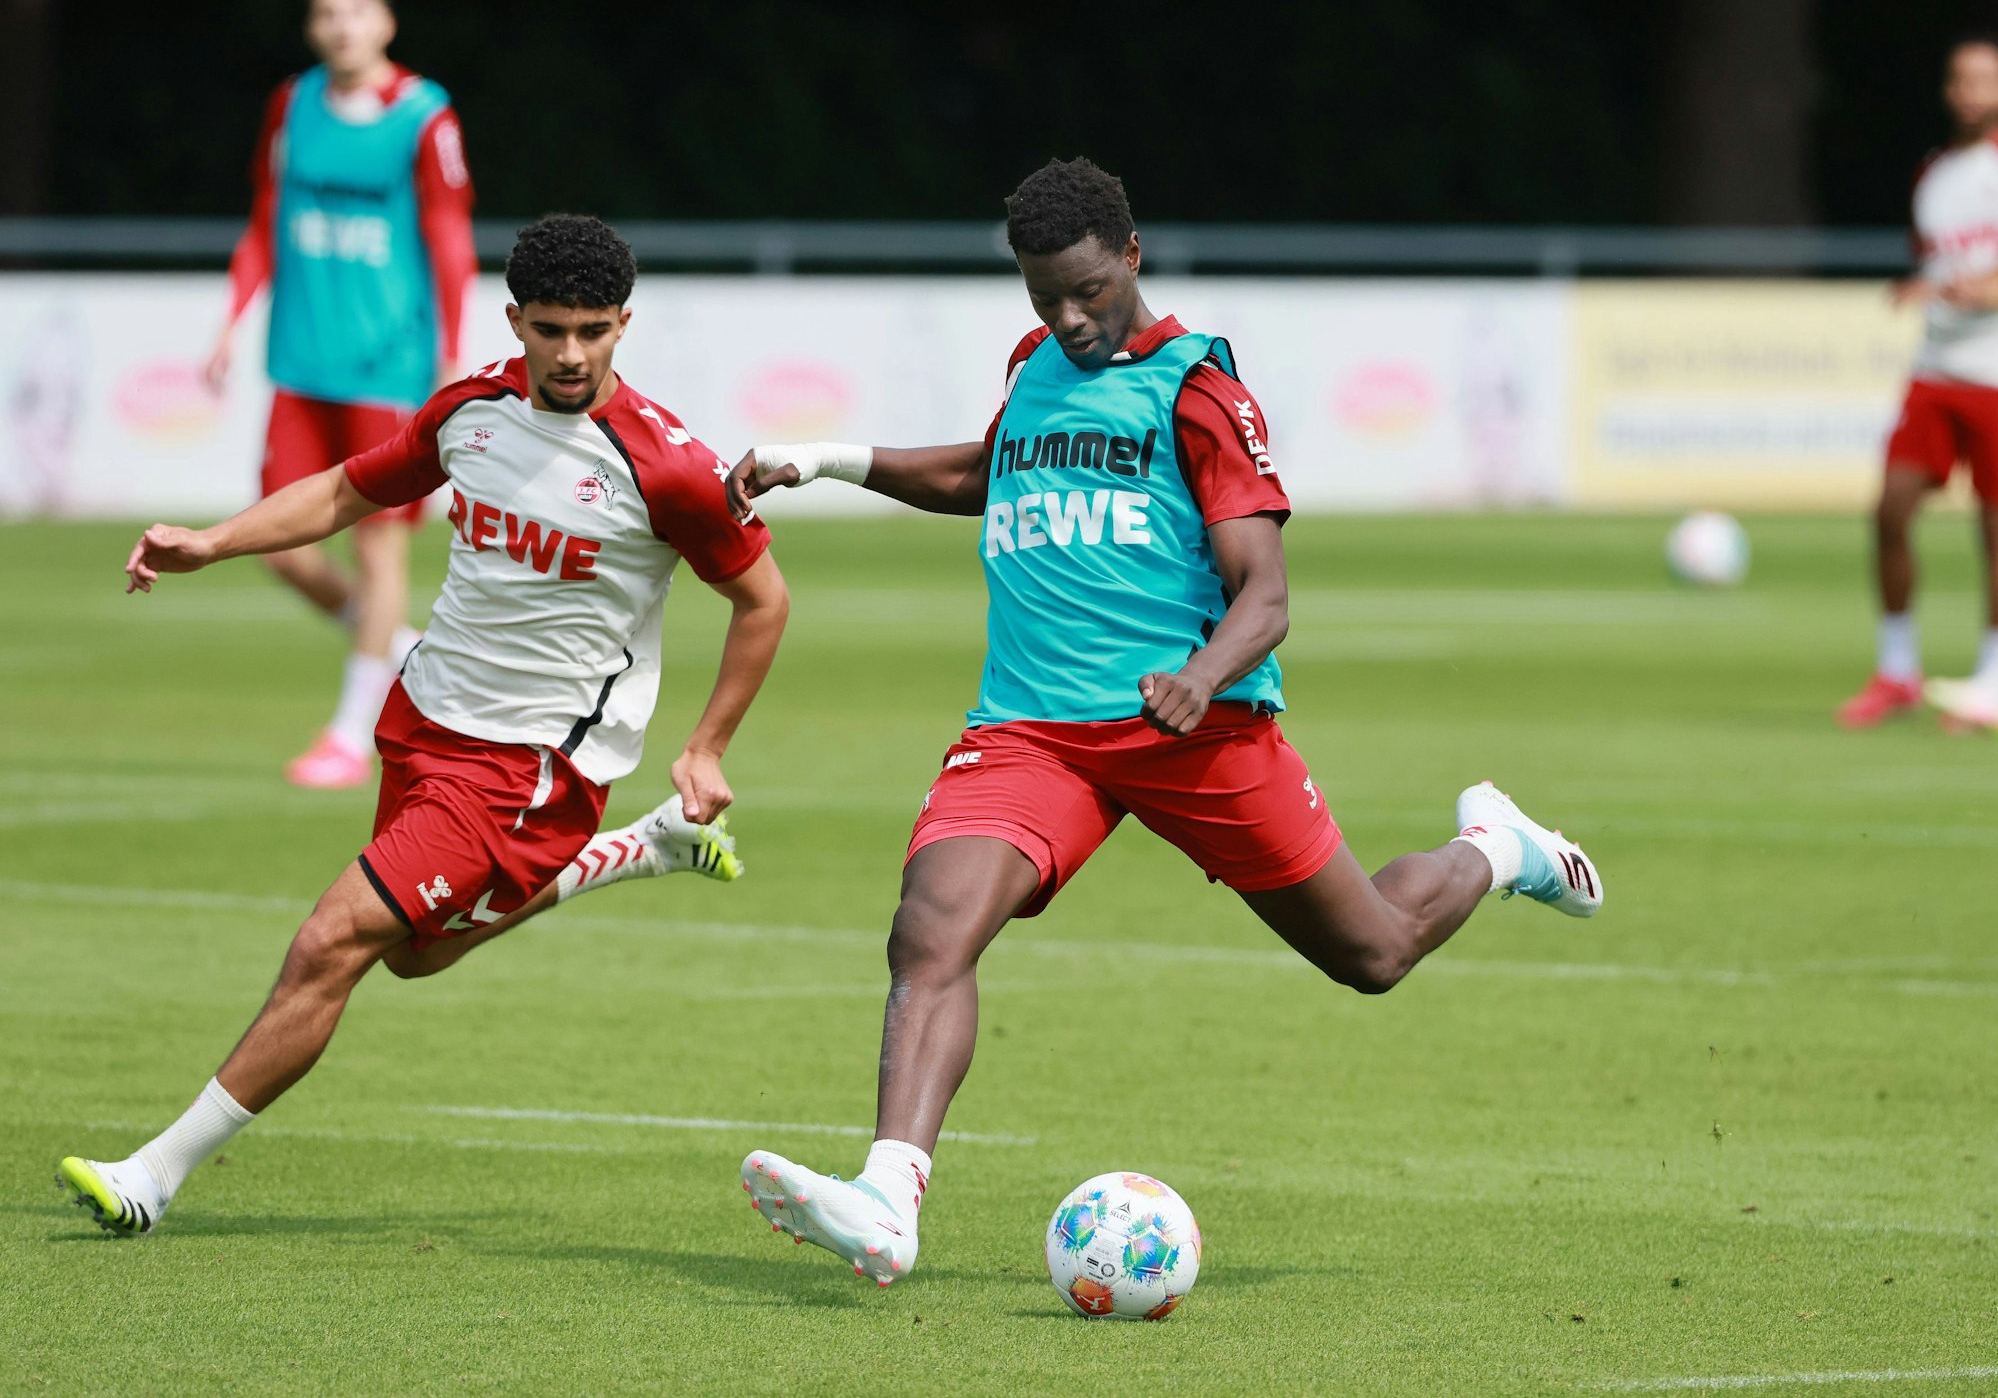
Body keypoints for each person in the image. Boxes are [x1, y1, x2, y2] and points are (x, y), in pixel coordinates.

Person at [722, 158, 1604, 1288]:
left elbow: (1265, 594)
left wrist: (1200, 675)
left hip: (1193, 731)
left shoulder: (1198, 394)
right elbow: (988, 472)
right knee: (929, 930)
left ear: (1132, 255)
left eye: (1088, 290)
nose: (1069, 317)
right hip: (1033, 728)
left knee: (1374, 952)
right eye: (1045, 295)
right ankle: (888, 1200)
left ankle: (1496, 847)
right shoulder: (1034, 364)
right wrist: (825, 460)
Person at [59, 215, 789, 1236]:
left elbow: (763, 601)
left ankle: (153, 1175)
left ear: (624, 324)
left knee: (330, 943)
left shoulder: (667, 468)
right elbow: (345, 491)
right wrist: (213, 543)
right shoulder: (471, 409)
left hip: (530, 765)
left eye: (592, 331)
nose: (570, 354)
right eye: (550, 329)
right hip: (423, 720)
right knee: (414, 954)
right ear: (514, 321)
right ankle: (641, 849)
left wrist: (706, 744)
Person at [206, 0, 479, 787]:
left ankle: (352, 735)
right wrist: (230, 322)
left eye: (356, 10)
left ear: (385, 22)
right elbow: (265, 218)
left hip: (388, 366)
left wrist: (451, 351)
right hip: (301, 362)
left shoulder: (424, 115)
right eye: (327, 12)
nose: (341, 25)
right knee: (279, 547)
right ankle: (405, 653)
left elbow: (450, 236)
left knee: (379, 548)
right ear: (311, 27)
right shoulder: (292, 104)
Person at [1841, 35, 1998, 731]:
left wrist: (1985, 291)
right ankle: (1897, 669)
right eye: (1960, 79)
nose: (1969, 92)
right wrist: (1926, 287)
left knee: (1994, 530)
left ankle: (1993, 680)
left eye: (1983, 79)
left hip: (1996, 372)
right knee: (1890, 510)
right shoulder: (1933, 173)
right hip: (1935, 370)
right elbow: (1939, 264)